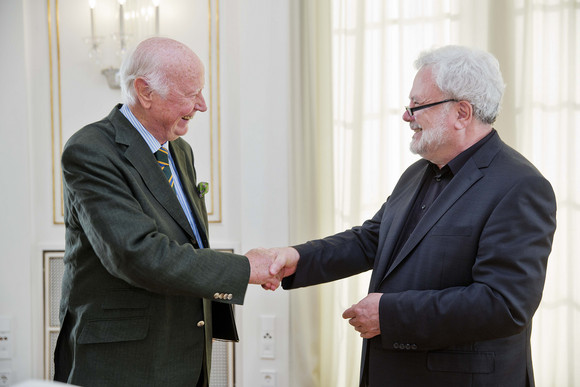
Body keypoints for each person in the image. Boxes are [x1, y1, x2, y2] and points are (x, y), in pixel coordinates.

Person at [268, 45, 557, 386]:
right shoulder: (417, 173)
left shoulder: (520, 186)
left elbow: (504, 304)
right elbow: (370, 240)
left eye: (417, 105)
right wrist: (295, 257)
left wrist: (389, 315)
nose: (407, 116)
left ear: (462, 113)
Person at [54, 37, 279, 386]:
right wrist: (244, 268)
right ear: (145, 91)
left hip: (186, 352)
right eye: (192, 93)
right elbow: (136, 254)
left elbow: (185, 240)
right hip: (123, 361)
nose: (202, 105)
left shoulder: (180, 150)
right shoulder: (90, 150)